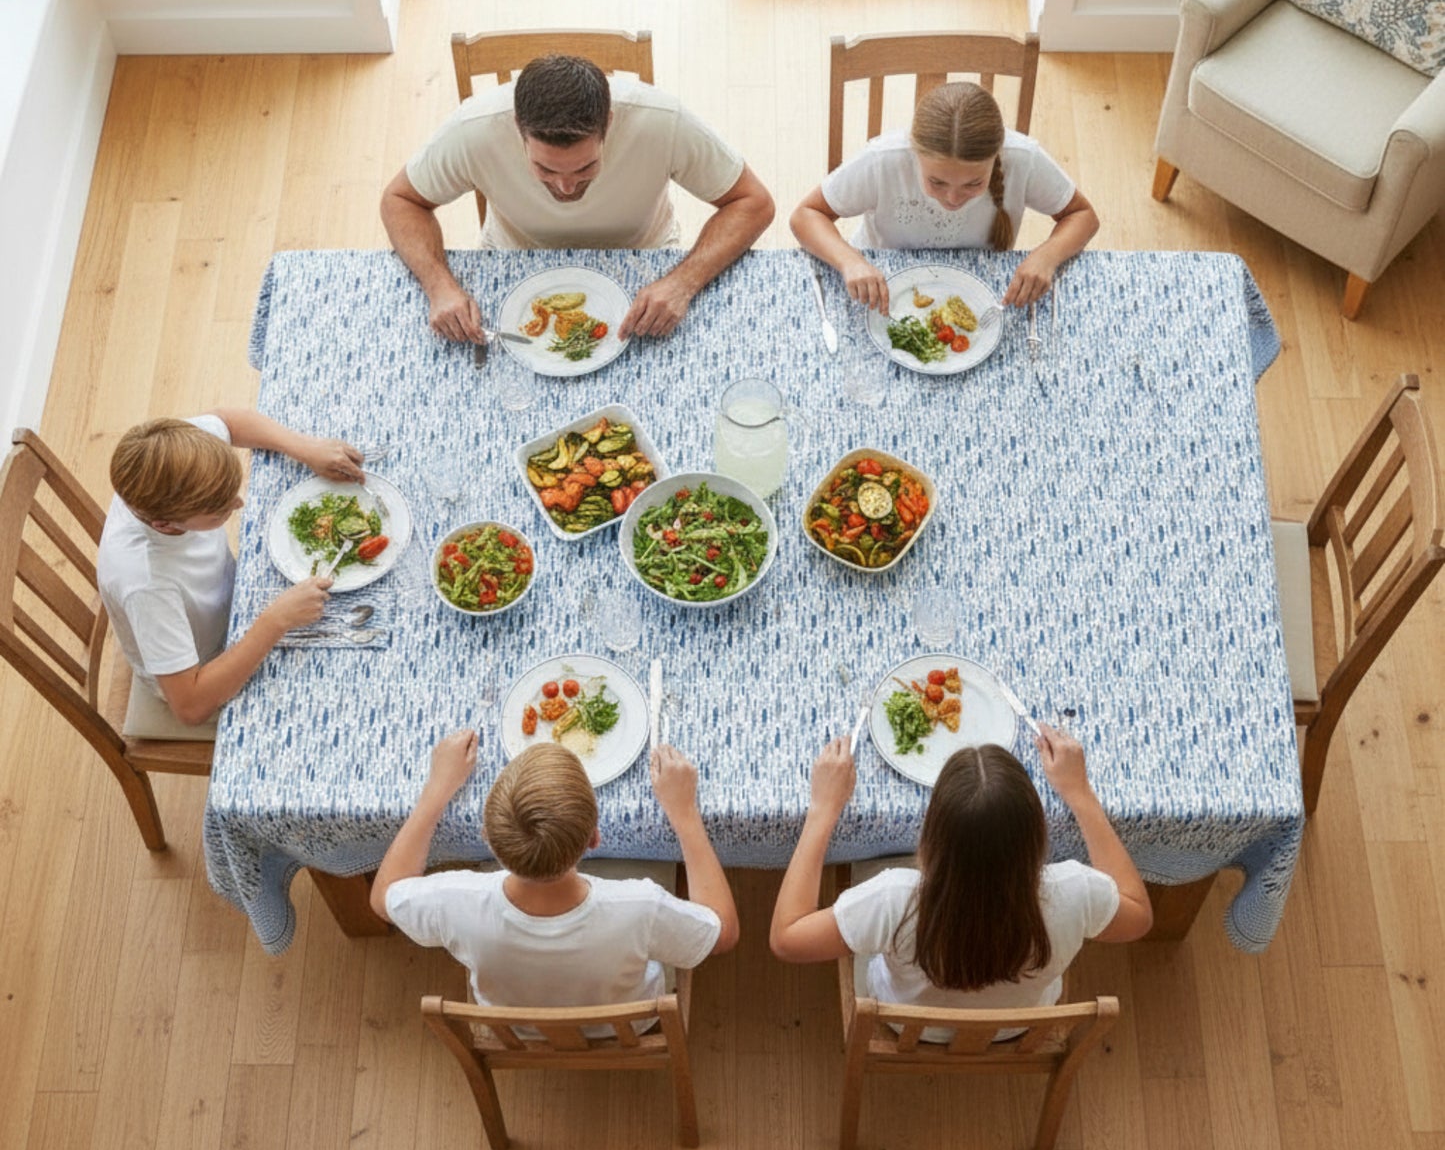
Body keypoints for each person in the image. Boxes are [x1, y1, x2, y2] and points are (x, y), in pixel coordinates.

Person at [769, 728, 1151, 1028]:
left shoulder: (892, 900)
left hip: (906, 1022)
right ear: (1037, 838)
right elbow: (1138, 917)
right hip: (1015, 1025)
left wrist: (822, 810)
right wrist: (1081, 794)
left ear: (930, 839)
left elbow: (787, 939)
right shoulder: (1076, 890)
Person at [380, 54, 775, 342]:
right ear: (518, 129)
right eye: (546, 170)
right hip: (512, 265)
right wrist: (439, 286)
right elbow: (400, 199)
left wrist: (682, 283)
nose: (566, 188)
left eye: (584, 168)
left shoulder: (661, 120)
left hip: (647, 270)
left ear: (609, 124)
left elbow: (753, 201)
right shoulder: (474, 129)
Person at [371, 734, 740, 1018]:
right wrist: (686, 815)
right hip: (627, 1020)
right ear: (595, 838)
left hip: (515, 1021)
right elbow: (723, 933)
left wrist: (436, 790)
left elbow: (384, 897)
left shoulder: (453, 897)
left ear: (487, 838)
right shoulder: (642, 906)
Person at [98, 411, 363, 729]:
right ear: (164, 525)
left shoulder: (172, 455)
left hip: (232, 600)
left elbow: (229, 422)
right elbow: (191, 708)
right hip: (207, 666)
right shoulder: (147, 585)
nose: (239, 504)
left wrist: (304, 447)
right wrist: (274, 622)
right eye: (219, 510)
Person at [790, 81, 1099, 312]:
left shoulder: (1023, 158)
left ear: (997, 157)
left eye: (973, 184)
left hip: (984, 290)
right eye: (936, 182)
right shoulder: (884, 159)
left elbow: (1083, 216)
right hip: (880, 286)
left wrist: (1046, 257)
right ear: (914, 153)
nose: (952, 199)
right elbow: (806, 215)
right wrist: (850, 262)